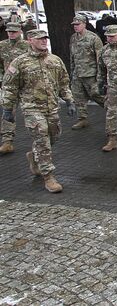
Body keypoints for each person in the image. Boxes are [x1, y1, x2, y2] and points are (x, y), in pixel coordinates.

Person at [1, 29, 76, 193]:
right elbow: (9, 87)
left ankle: (34, 157)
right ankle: (48, 177)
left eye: (45, 38)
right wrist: (7, 108)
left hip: (52, 108)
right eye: (40, 39)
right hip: (32, 108)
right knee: (42, 139)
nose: (44, 41)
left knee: (53, 136)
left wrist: (69, 100)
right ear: (30, 40)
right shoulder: (20, 63)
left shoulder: (55, 60)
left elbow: (64, 82)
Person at [69, 14, 105, 130]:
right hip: (77, 73)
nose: (76, 27)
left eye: (78, 24)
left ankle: (111, 109)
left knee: (96, 94)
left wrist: (100, 76)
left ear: (84, 24)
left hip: (90, 73)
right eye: (74, 25)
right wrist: (72, 70)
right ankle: (82, 119)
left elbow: (100, 58)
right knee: (78, 96)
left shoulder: (93, 38)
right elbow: (72, 56)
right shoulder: (73, 38)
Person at [0, 23, 30, 155]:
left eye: (14, 32)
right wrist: (2, 78)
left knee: (31, 111)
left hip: (25, 84)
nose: (11, 34)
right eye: (9, 31)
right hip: (10, 85)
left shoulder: (27, 46)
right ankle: (7, 141)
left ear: (20, 32)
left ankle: (39, 139)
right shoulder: (2, 45)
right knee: (7, 111)